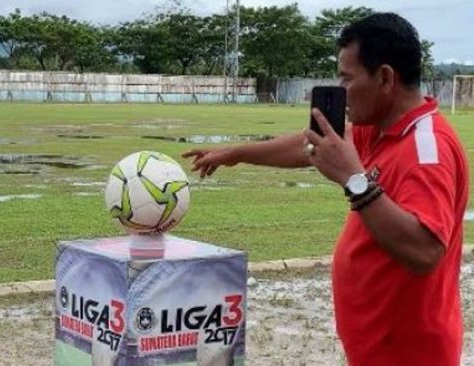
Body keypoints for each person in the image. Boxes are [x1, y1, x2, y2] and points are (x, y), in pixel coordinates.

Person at [182, 13, 468, 366]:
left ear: (385, 78)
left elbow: (425, 252)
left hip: (410, 353)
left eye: (346, 79)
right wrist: (237, 153)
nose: (340, 90)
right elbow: (310, 146)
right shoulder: (378, 129)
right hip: (378, 346)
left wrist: (354, 180)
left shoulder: (427, 150)